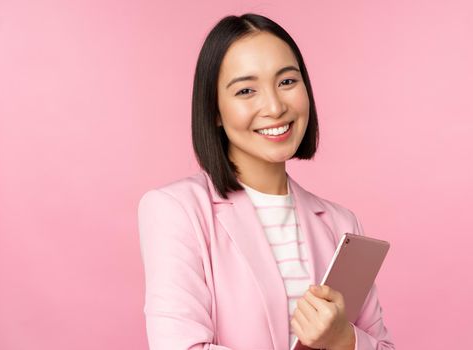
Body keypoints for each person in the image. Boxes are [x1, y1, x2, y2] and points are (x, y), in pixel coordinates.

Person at [137, 13, 395, 350]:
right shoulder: (176, 211)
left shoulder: (340, 223)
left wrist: (344, 340)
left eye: (287, 82)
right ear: (214, 109)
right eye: (246, 90)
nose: (274, 106)